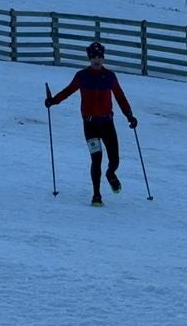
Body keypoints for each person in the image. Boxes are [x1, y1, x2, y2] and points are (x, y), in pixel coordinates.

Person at [45, 41, 138, 206]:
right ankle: (96, 195)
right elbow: (68, 91)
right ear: (89, 58)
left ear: (103, 59)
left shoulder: (109, 76)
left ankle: (111, 174)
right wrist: (53, 101)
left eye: (99, 57)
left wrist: (129, 115)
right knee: (96, 159)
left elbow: (120, 97)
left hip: (107, 123)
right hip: (90, 125)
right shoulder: (82, 76)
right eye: (94, 57)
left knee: (114, 159)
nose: (97, 60)